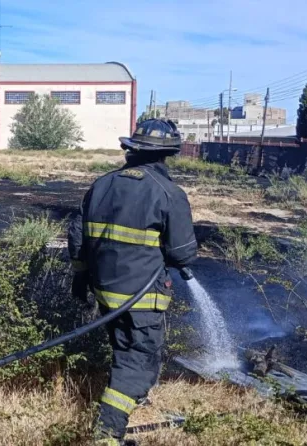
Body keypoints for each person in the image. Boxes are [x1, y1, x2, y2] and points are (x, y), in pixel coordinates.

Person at [67, 118, 198, 446]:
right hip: (141, 297)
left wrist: (80, 278)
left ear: (132, 149)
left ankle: (123, 406)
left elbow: (77, 235)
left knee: (124, 352)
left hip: (105, 293)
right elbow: (182, 254)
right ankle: (108, 435)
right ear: (167, 154)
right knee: (139, 363)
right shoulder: (168, 192)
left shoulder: (101, 184)